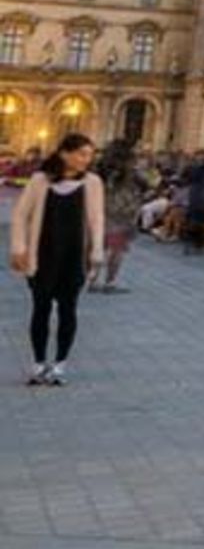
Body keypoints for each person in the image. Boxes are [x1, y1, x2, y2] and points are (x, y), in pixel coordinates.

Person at [10, 134, 106, 385]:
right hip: (42, 256)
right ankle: (38, 363)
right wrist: (18, 248)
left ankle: (60, 364)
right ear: (65, 153)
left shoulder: (93, 182)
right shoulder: (40, 180)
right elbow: (20, 216)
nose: (87, 159)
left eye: (90, 155)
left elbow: (97, 220)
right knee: (40, 309)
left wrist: (96, 251)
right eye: (82, 154)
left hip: (73, 257)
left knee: (68, 310)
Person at [92, 132, 145, 293]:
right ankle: (110, 282)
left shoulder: (101, 166)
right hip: (122, 213)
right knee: (117, 249)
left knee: (99, 246)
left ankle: (92, 279)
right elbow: (145, 184)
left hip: (101, 209)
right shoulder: (130, 169)